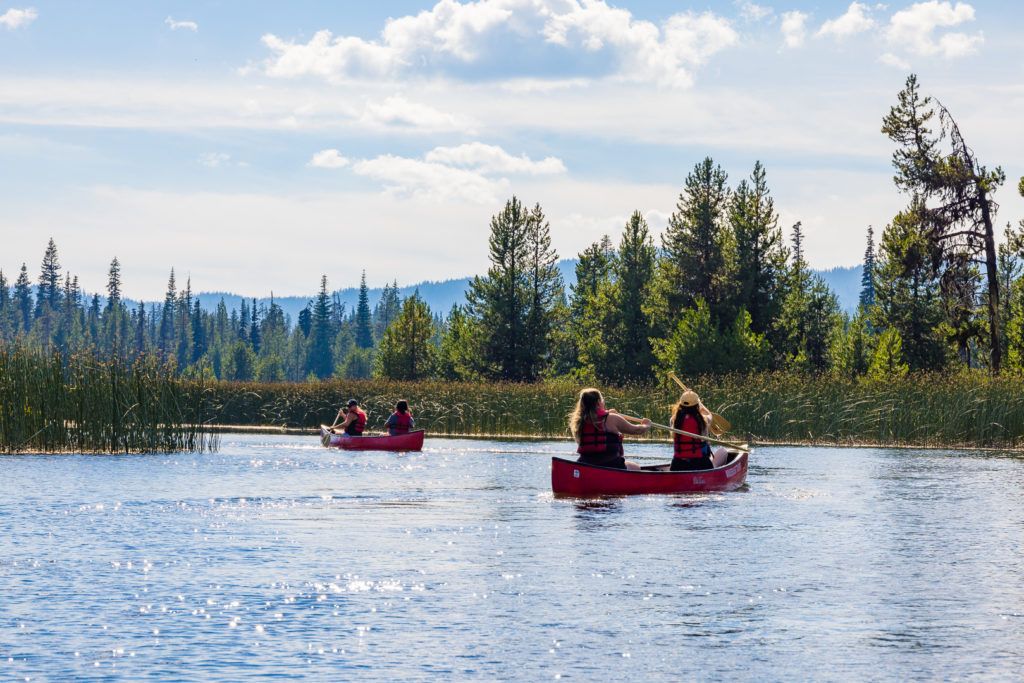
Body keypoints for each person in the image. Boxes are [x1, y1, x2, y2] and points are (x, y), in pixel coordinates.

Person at [569, 387, 651, 471]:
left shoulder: (579, 421)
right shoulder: (611, 418)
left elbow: (595, 417)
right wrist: (646, 425)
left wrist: (608, 413)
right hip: (611, 465)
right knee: (636, 467)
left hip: (585, 465)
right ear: (598, 402)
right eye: (602, 399)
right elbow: (636, 430)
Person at [670, 390, 728, 471]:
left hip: (678, 465)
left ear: (680, 404)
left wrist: (687, 397)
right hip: (699, 464)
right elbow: (709, 414)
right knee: (723, 451)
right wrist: (700, 403)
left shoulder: (674, 420)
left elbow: (678, 413)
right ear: (697, 406)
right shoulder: (703, 420)